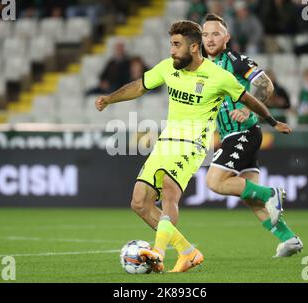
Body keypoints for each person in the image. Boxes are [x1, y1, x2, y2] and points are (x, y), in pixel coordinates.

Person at [95, 20, 292, 273]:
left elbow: (250, 99)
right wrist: (110, 99)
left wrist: (273, 122)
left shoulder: (219, 76)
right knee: (140, 203)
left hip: (193, 144)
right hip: (166, 142)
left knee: (168, 189)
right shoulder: (168, 67)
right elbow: (139, 86)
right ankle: (188, 252)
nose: (172, 50)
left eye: (177, 45)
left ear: (194, 47)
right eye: (171, 44)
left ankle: (158, 251)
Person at [202, 13, 303, 258]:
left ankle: (272, 194)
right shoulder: (202, 68)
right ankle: (289, 239)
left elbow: (266, 84)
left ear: (227, 37)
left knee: (214, 182)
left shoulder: (235, 60)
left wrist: (247, 108)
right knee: (251, 198)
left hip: (243, 131)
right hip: (230, 134)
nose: (210, 39)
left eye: (216, 33)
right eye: (205, 34)